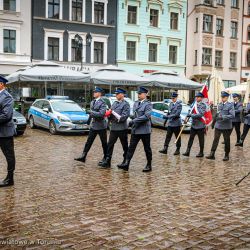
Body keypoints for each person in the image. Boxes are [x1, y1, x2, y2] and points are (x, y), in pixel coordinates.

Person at [118, 87, 152, 172]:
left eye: (140, 94)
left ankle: (149, 165)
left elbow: (146, 116)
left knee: (147, 148)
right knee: (131, 148)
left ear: (145, 94)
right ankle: (126, 164)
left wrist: (133, 121)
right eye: (138, 94)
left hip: (144, 130)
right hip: (136, 129)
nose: (139, 95)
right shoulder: (136, 103)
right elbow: (134, 115)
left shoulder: (148, 104)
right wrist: (129, 119)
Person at [75, 87, 107, 165]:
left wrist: (91, 112)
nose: (94, 93)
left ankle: (106, 157)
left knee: (104, 143)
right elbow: (91, 114)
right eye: (94, 92)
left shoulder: (103, 102)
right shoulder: (93, 102)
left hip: (101, 126)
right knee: (88, 142)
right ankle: (83, 156)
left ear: (99, 93)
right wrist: (88, 122)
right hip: (93, 125)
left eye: (95, 92)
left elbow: (101, 114)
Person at [100, 88, 130, 168]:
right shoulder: (114, 103)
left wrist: (112, 112)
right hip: (113, 127)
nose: (116, 95)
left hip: (122, 128)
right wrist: (108, 115)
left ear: (122, 94)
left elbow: (123, 118)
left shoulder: (126, 104)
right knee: (110, 145)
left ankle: (125, 161)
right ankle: (107, 161)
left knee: (125, 146)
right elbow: (110, 115)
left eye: (117, 94)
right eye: (116, 94)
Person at [206, 91, 235, 161]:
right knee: (215, 140)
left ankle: (226, 155)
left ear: (227, 97)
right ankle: (212, 154)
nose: (222, 98)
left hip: (226, 126)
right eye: (222, 97)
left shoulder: (230, 105)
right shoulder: (219, 104)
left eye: (224, 97)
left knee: (226, 140)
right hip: (218, 125)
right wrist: (213, 123)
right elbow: (217, 114)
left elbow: (232, 115)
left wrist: (223, 117)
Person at [0, 76, 16, 187]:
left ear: (1, 84)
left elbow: (6, 115)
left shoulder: (7, 97)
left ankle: (10, 179)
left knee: (9, 156)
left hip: (5, 132)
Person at [183, 92, 206, 158]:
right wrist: (188, 115)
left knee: (201, 140)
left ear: (201, 98)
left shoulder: (203, 105)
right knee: (191, 139)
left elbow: (200, 114)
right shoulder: (194, 104)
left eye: (198, 97)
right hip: (193, 125)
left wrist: (191, 115)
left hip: (200, 125)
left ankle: (201, 152)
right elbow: (190, 110)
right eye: (196, 97)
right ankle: (187, 151)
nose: (197, 98)